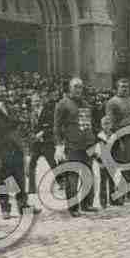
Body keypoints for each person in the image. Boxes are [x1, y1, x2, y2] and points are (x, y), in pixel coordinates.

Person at [0, 85, 40, 219]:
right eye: (0, 92)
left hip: (15, 148)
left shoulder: (10, 108)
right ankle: (5, 209)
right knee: (4, 180)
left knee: (19, 178)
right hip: (2, 151)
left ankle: (23, 206)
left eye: (4, 91)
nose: (3, 94)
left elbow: (17, 125)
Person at [54, 78, 98, 217]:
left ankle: (87, 204)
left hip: (87, 146)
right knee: (72, 178)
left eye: (80, 87)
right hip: (71, 146)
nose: (78, 89)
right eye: (75, 87)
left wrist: (93, 143)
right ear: (69, 88)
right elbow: (57, 127)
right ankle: (73, 208)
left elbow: (88, 125)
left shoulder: (85, 104)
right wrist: (59, 145)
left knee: (88, 175)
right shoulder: (62, 104)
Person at [105, 78, 130, 200]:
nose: (125, 89)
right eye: (122, 86)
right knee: (123, 164)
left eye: (126, 86)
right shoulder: (113, 102)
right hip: (123, 136)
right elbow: (110, 121)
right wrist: (115, 137)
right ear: (117, 88)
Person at [27, 92, 59, 195]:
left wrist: (42, 133)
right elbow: (29, 127)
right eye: (33, 101)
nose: (35, 103)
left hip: (46, 142)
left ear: (40, 101)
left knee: (53, 164)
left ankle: (62, 182)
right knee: (31, 165)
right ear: (31, 103)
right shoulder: (30, 113)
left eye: (37, 100)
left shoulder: (48, 112)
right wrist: (32, 136)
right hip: (35, 144)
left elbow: (51, 126)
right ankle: (31, 188)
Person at [95, 116, 124, 207]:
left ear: (111, 125)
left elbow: (119, 149)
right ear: (101, 125)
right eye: (105, 124)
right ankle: (103, 201)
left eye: (108, 124)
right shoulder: (99, 136)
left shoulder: (114, 136)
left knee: (113, 181)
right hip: (103, 162)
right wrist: (99, 161)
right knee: (103, 182)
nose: (107, 126)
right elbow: (96, 150)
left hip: (113, 162)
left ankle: (113, 200)